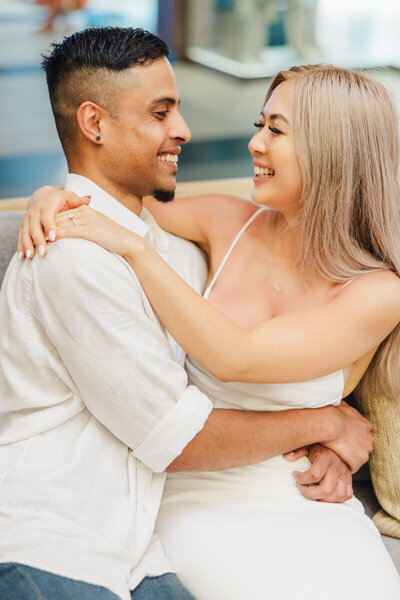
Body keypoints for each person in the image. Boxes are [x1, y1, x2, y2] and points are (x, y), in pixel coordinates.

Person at [0, 28, 371, 600]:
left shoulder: (169, 244)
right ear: (95, 125)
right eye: (161, 111)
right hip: (56, 542)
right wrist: (326, 422)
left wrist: (58, 192)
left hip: (134, 551)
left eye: (277, 128)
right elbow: (180, 437)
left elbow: (136, 222)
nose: (185, 131)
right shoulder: (74, 257)